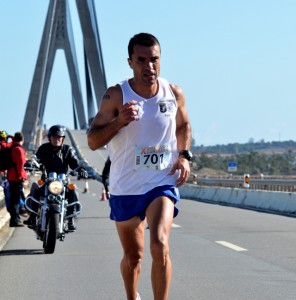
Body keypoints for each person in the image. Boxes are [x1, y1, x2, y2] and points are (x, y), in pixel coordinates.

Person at [87, 33, 192, 300]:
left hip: (161, 183)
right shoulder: (116, 95)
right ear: (130, 62)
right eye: (142, 60)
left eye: (154, 59)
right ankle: (132, 296)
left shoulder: (173, 92)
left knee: (160, 244)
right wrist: (119, 121)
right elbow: (92, 141)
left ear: (160, 59)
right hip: (126, 186)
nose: (149, 66)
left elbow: (182, 125)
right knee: (133, 258)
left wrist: (184, 155)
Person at [24, 125, 88, 231]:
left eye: (59, 137)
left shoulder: (67, 150)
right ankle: (32, 217)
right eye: (54, 137)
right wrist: (31, 163)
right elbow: (37, 158)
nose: (57, 139)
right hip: (46, 179)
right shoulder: (44, 148)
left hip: (63, 181)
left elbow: (74, 162)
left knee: (73, 190)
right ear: (50, 137)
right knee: (35, 188)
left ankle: (71, 219)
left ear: (63, 138)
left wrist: (80, 169)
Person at [7, 132, 28, 227]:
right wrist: (22, 178)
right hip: (16, 178)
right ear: (22, 139)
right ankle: (15, 220)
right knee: (15, 200)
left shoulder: (12, 147)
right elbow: (21, 166)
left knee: (14, 199)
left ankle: (14, 219)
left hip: (11, 176)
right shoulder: (19, 149)